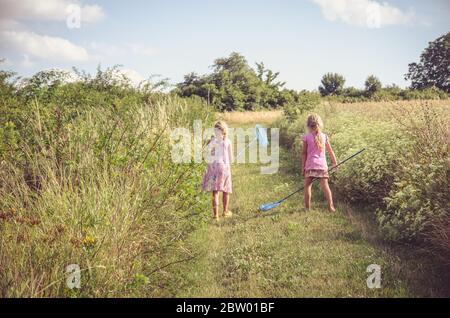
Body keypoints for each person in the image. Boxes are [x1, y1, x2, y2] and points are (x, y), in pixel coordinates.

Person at [301, 114, 337, 212]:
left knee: (307, 186)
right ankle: (331, 207)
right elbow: (331, 151)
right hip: (322, 166)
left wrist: (303, 168)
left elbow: (304, 153)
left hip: (310, 165)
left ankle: (307, 208)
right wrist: (335, 163)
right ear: (320, 124)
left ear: (308, 125)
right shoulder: (324, 136)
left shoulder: (306, 137)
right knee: (325, 186)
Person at [202, 121, 233, 220]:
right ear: (225, 131)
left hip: (213, 167)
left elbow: (206, 154)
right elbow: (231, 158)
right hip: (224, 168)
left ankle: (215, 215)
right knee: (226, 190)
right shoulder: (228, 142)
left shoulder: (212, 141)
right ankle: (225, 211)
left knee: (215, 191)